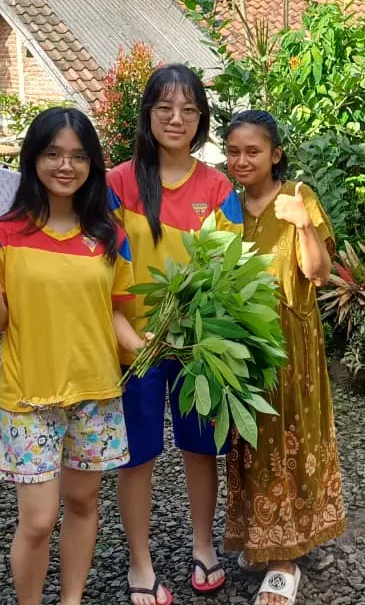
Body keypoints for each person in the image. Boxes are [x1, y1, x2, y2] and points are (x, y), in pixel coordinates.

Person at [0, 107, 151, 605]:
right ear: (33, 159)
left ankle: (72, 600)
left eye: (79, 156)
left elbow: (113, 312)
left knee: (83, 502)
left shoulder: (110, 237)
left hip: (95, 392)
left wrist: (146, 347)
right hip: (28, 395)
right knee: (38, 520)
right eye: (53, 154)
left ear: (93, 165)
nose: (66, 166)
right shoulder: (1, 235)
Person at [108, 63, 244, 605]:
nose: (176, 118)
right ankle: (139, 562)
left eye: (189, 109)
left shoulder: (217, 187)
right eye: (164, 107)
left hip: (197, 345)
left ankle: (203, 545)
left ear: (201, 119)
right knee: (137, 454)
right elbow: (100, 267)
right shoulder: (118, 183)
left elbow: (230, 273)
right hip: (133, 344)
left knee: (200, 447)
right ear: (147, 114)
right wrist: (124, 332)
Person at [222, 110, 347, 605]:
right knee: (249, 442)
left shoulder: (298, 196)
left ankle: (285, 559)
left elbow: (318, 274)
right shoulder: (227, 206)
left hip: (291, 347)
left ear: (275, 154)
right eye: (233, 151)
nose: (241, 160)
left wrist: (303, 226)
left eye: (253, 151)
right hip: (242, 347)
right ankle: (262, 537)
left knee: (289, 439)